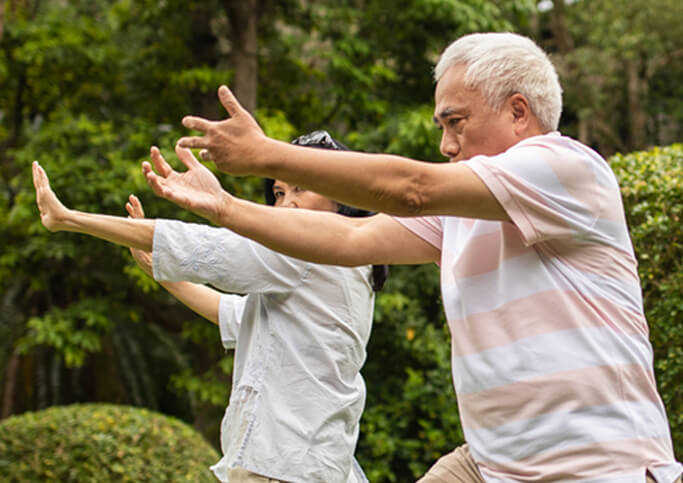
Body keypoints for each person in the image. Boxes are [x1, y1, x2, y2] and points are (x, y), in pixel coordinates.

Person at [141, 32, 682, 482]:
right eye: (441, 127)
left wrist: (266, 155)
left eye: (456, 122)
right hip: (492, 463)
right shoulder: (464, 212)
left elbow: (411, 187)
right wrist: (227, 208)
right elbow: (347, 242)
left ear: (519, 112)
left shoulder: (565, 170)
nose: (446, 144)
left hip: (597, 464)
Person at [32, 132, 389, 483]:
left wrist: (71, 218)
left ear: (342, 198)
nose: (286, 203)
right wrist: (163, 274)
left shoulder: (313, 250)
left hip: (284, 468)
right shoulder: (341, 263)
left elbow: (208, 248)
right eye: (279, 193)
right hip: (309, 465)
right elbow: (234, 314)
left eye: (301, 189)